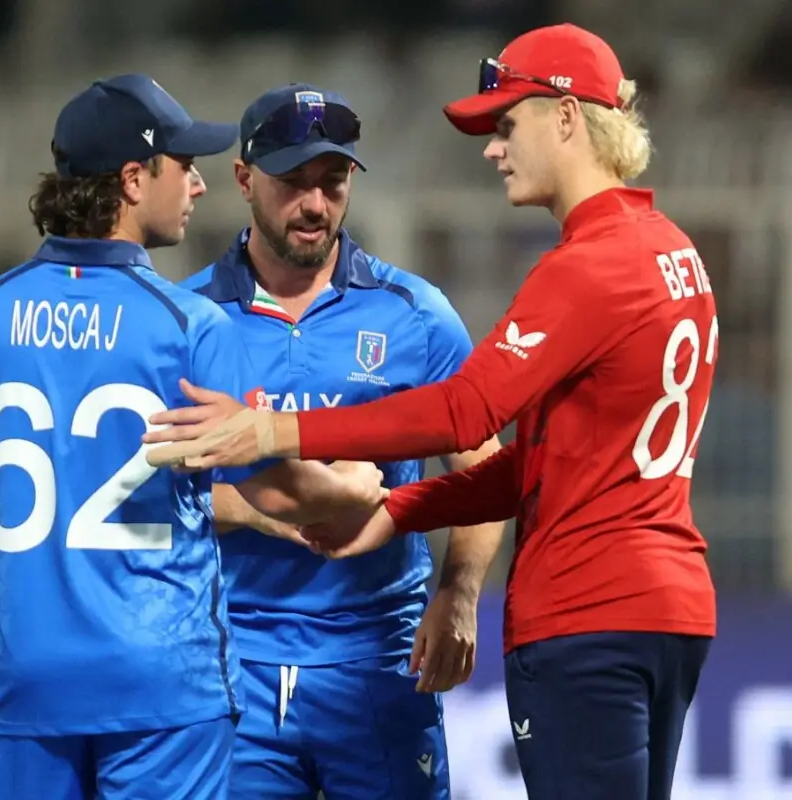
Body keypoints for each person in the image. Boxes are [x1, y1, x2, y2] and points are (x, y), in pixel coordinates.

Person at [144, 24, 719, 800]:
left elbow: (467, 414)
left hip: (555, 616)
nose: (492, 148)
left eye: (505, 124)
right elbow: (542, 461)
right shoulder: (671, 251)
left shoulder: (554, 275)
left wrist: (276, 433)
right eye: (292, 179)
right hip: (659, 601)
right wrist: (394, 508)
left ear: (565, 117)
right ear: (246, 180)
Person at [0, 74, 385, 800]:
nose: (196, 185)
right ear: (133, 179)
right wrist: (355, 485)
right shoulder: (190, 326)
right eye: (182, 166)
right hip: (162, 686)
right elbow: (277, 487)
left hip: (24, 679)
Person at [180, 83, 505, 799]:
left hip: (381, 662)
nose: (314, 205)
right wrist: (270, 512)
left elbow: (485, 471)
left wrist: (459, 591)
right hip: (235, 663)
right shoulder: (190, 319)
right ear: (243, 180)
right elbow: (151, 494)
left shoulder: (415, 317)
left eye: (331, 183)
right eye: (293, 183)